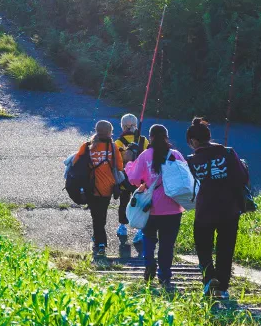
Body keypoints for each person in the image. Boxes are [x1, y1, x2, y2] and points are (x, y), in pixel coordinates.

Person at [186, 117, 249, 300]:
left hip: (205, 211)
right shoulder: (228, 153)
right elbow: (242, 177)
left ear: (194, 141)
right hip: (229, 210)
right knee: (225, 249)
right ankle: (222, 287)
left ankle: (208, 279)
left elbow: (188, 186)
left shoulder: (191, 160)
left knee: (203, 248)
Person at [124, 124, 185, 289]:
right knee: (167, 245)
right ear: (166, 137)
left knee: (149, 238)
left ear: (150, 137)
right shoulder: (176, 155)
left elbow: (134, 179)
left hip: (150, 208)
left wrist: (129, 163)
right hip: (173, 208)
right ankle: (164, 275)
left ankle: (149, 264)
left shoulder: (145, 156)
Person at [72, 120, 126, 255]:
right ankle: (100, 241)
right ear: (109, 132)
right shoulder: (113, 147)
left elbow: (75, 163)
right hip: (108, 187)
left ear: (96, 130)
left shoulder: (87, 146)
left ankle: (100, 242)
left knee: (96, 215)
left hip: (90, 186)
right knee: (101, 214)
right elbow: (119, 167)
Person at [117, 113, 150, 245]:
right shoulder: (144, 140)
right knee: (140, 204)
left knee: (124, 203)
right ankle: (140, 231)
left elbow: (118, 162)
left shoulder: (118, 142)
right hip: (141, 180)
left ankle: (122, 227)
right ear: (136, 126)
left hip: (125, 179)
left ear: (122, 126)